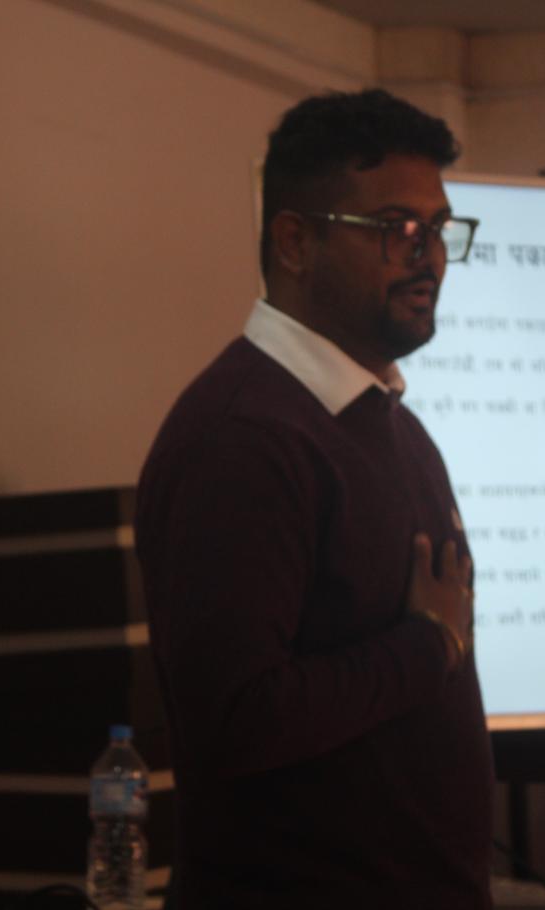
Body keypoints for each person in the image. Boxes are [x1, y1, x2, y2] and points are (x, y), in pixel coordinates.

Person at [134, 89, 492, 909]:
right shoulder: (244, 438)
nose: (428, 258)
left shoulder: (390, 424)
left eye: (439, 230)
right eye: (396, 228)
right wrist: (425, 646)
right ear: (294, 241)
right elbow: (236, 720)